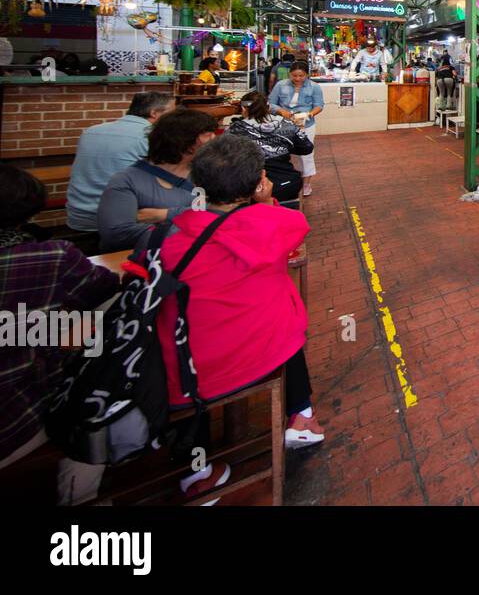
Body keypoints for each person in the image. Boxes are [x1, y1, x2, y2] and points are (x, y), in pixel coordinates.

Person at [123, 134, 321, 499]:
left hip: (185, 378)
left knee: (181, 355)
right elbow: (294, 230)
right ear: (259, 181)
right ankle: (301, 415)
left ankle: (196, 472)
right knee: (288, 330)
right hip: (266, 353)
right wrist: (267, 201)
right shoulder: (272, 224)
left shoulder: (161, 239)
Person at [0, 166, 119, 504]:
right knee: (96, 393)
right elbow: (106, 288)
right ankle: (82, 500)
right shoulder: (50, 256)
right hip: (17, 416)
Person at [97, 109, 219, 253]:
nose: (214, 139)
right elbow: (117, 233)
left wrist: (165, 215)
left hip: (197, 254)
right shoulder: (126, 180)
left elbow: (225, 211)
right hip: (146, 260)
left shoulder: (208, 172)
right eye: (207, 134)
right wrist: (195, 225)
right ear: (184, 140)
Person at [66, 91, 176, 239]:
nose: (174, 119)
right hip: (123, 222)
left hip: (78, 215)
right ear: (154, 113)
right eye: (172, 113)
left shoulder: (91, 131)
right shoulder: (152, 136)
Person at [228, 91, 315, 204]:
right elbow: (307, 148)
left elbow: (226, 157)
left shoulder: (235, 129)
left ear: (244, 109)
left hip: (252, 188)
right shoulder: (287, 124)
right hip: (288, 183)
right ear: (268, 107)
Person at [268, 61, 325, 196]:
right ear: (290, 74)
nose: (298, 79)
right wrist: (282, 112)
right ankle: (290, 181)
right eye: (294, 76)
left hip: (306, 125)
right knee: (285, 154)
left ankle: (306, 184)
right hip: (283, 124)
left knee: (306, 154)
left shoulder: (314, 87)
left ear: (307, 75)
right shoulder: (280, 85)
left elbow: (319, 105)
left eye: (301, 76)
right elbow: (271, 103)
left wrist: (309, 114)